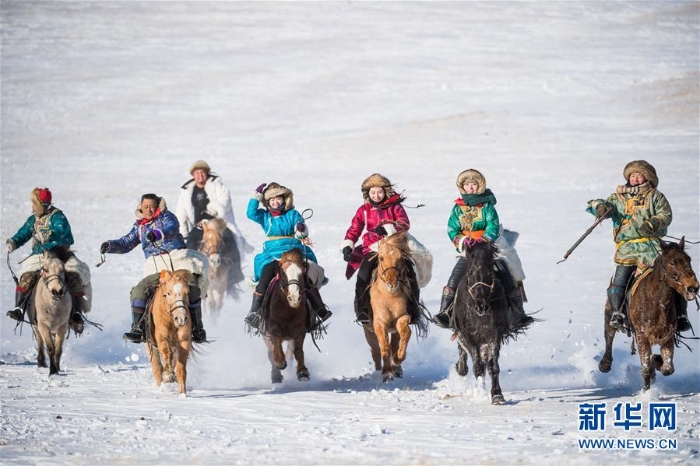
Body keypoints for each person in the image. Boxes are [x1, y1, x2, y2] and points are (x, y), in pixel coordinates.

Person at [587, 160, 690, 333]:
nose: (635, 178)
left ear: (646, 177)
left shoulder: (655, 196)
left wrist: (653, 223)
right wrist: (600, 207)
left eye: (639, 175)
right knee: (619, 281)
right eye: (632, 175)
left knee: (672, 279)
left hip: (652, 249)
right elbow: (601, 205)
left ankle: (680, 316)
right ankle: (617, 313)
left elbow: (666, 214)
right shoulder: (617, 198)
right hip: (627, 249)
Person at [432, 169, 532, 330]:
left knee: (508, 275)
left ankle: (518, 313)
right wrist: (463, 240)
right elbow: (452, 229)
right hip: (468, 250)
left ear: (479, 186)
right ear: (462, 187)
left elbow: (492, 225)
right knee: (453, 279)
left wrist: (484, 241)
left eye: (473, 184)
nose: (470, 187)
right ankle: (445, 313)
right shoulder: (458, 208)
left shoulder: (487, 206)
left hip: (490, 248)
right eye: (467, 184)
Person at [100, 193, 208, 343]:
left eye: (152, 206)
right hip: (158, 268)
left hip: (178, 262)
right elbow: (126, 243)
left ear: (157, 206)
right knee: (139, 292)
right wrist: (110, 246)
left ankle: (197, 328)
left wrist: (157, 234)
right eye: (146, 207)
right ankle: (138, 328)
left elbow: (172, 228)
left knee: (193, 289)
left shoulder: (166, 217)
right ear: (141, 208)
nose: (149, 210)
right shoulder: (140, 227)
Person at [243, 182, 331, 331]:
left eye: (278, 199)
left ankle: (319, 308)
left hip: (294, 251)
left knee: (305, 277)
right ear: (268, 202)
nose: (275, 202)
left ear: (285, 200)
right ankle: (255, 312)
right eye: (272, 200)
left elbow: (301, 232)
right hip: (273, 254)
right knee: (264, 278)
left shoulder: (293, 214)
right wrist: (255, 197)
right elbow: (251, 213)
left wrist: (301, 230)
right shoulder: (265, 216)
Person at [5, 188, 90, 334]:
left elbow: (62, 233)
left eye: (34, 203)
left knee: (73, 275)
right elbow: (23, 233)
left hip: (60, 254)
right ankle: (19, 307)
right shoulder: (33, 219)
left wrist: (48, 236)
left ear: (40, 204)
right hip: (40, 255)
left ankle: (77, 312)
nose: (32, 206)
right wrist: (13, 242)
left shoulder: (58, 217)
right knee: (27, 277)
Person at [340, 173, 422, 324]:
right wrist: (348, 244)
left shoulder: (395, 207)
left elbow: (404, 223)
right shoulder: (363, 210)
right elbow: (355, 229)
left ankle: (414, 310)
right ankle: (363, 310)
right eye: (373, 193)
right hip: (373, 248)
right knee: (363, 274)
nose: (376, 196)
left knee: (410, 272)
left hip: (394, 246)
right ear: (367, 194)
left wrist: (387, 229)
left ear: (385, 192)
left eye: (379, 192)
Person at [176, 160, 252, 290]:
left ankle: (234, 275)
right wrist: (184, 233)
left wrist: (214, 208)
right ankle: (191, 277)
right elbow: (181, 213)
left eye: (202, 172)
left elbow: (225, 202)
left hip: (218, 223)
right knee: (189, 246)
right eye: (197, 173)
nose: (200, 175)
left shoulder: (218, 186)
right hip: (200, 225)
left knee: (231, 242)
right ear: (193, 175)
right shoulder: (187, 191)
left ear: (207, 173)